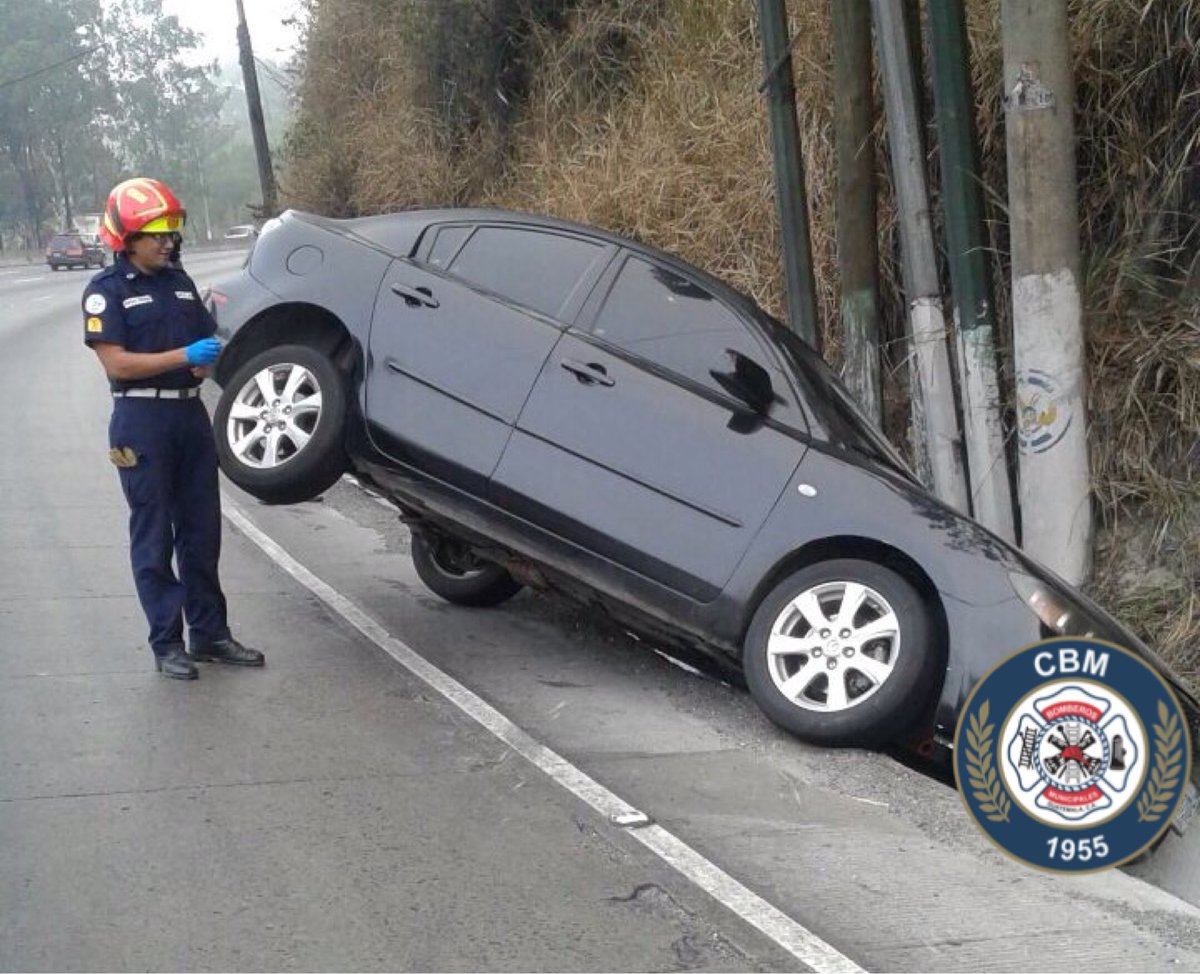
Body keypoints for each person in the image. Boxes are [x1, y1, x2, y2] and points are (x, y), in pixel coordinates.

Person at [82, 176, 264, 680]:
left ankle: (210, 634)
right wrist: (183, 355)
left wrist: (207, 360)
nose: (167, 241)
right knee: (154, 532)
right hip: (141, 421)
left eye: (171, 232)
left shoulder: (180, 283)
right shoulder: (106, 293)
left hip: (189, 415)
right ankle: (166, 641)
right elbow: (117, 365)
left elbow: (205, 345)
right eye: (156, 233)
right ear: (127, 238)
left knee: (202, 530)